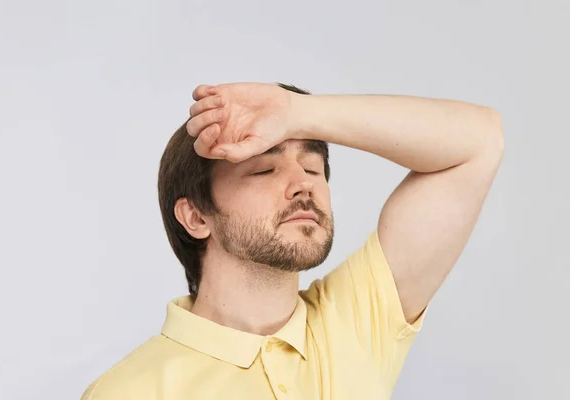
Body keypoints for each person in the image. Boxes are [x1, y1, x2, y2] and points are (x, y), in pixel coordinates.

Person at [81, 82, 504, 399]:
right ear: (196, 216)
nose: (304, 184)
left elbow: (480, 140)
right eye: (264, 170)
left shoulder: (353, 322)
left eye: (314, 167)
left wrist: (296, 111)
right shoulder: (127, 391)